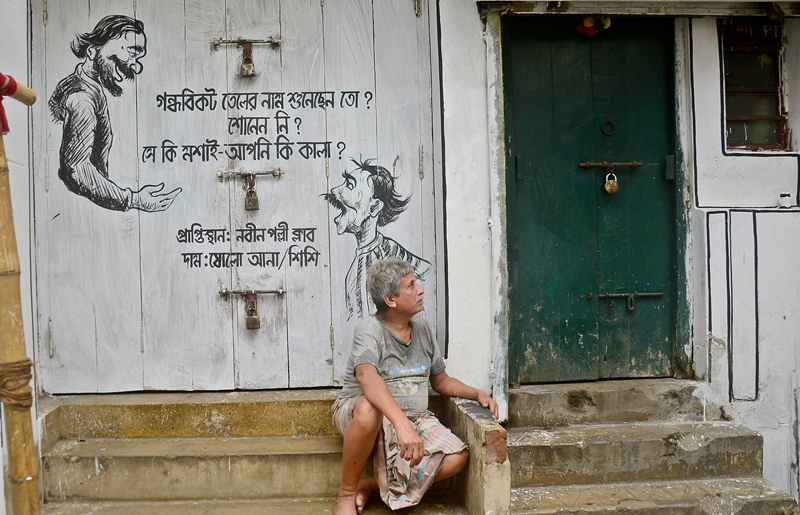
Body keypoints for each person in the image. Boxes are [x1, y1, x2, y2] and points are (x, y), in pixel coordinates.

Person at [331, 258, 499, 514]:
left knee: (458, 457)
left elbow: (440, 380)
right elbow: (366, 377)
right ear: (391, 300)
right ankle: (347, 492)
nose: (420, 289)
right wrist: (401, 424)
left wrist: (477, 393)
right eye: (411, 285)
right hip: (364, 416)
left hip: (415, 418)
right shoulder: (370, 330)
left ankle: (374, 486)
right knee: (369, 410)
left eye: (417, 283)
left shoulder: (422, 327)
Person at [49, 14, 181, 212]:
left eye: (139, 56)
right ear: (93, 50)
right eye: (132, 51)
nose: (136, 65)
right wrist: (133, 200)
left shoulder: (85, 85)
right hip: (79, 212)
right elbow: (77, 170)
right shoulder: (81, 98)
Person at [324, 158, 430, 319]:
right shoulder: (358, 263)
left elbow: (425, 274)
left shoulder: (390, 255)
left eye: (350, 185)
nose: (335, 190)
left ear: (374, 207)